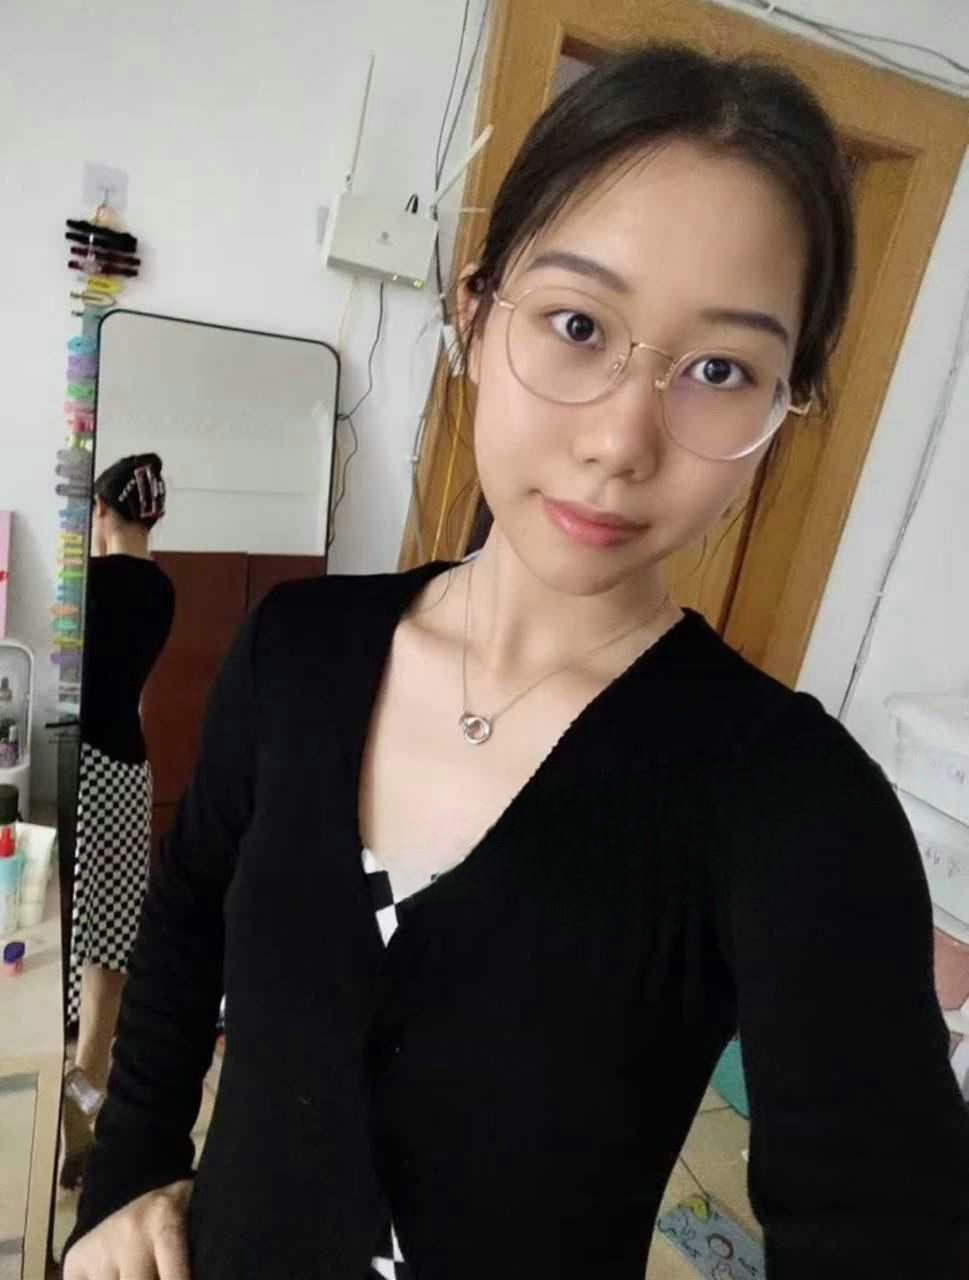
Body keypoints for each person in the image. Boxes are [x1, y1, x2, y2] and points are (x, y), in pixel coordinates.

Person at [64, 44, 969, 1279]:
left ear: (783, 406)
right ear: (477, 314)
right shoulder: (295, 653)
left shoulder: (795, 806)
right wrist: (120, 1189)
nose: (621, 439)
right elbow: (184, 929)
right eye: (579, 324)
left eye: (720, 370)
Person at [62, 453, 175, 1188]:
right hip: (133, 772)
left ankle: (75, 1108)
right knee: (110, 947)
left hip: (91, 769)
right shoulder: (161, 589)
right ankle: (85, 1106)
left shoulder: (91, 584)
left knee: (77, 938)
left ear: (100, 512)